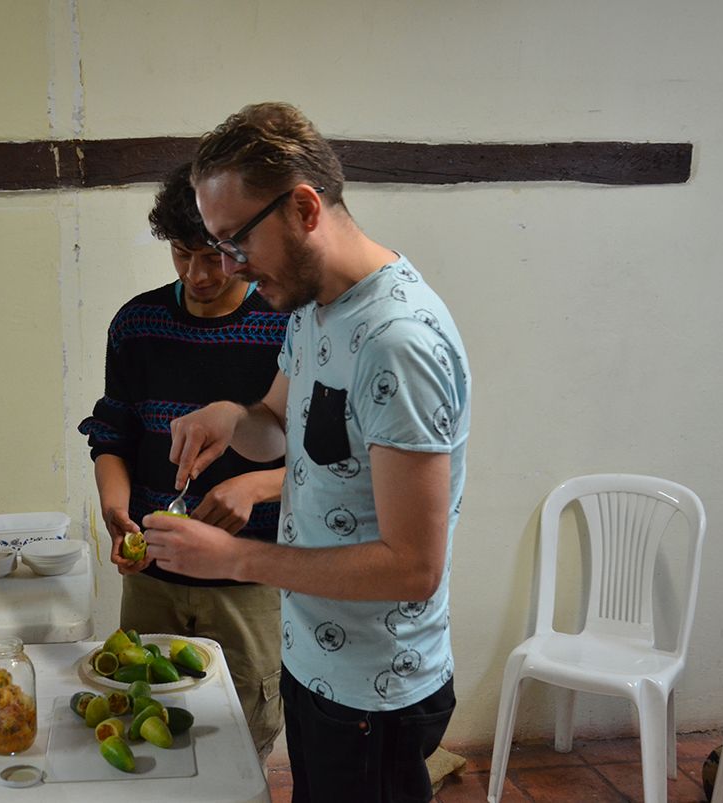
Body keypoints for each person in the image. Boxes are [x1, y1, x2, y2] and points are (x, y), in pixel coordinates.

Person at [143, 103, 472, 802]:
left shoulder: (398, 341)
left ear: (303, 207)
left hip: (375, 689)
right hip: (318, 655)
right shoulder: (314, 308)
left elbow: (414, 565)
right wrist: (230, 418)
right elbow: (279, 423)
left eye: (236, 242)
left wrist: (234, 557)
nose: (229, 266)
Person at [77, 162, 289, 759]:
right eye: (180, 254)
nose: (197, 274)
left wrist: (257, 486)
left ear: (239, 245)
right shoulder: (138, 323)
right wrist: (115, 511)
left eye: (213, 256)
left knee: (244, 729)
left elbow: (321, 458)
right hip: (154, 577)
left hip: (248, 577)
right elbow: (112, 435)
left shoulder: (286, 324)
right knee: (145, 716)